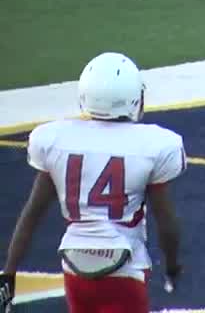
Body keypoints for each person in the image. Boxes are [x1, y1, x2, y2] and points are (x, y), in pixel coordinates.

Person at [2, 52, 185, 313]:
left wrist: (9, 273)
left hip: (75, 268)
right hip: (124, 269)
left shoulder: (57, 139)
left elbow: (32, 213)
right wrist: (172, 265)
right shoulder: (153, 144)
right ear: (133, 98)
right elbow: (166, 222)